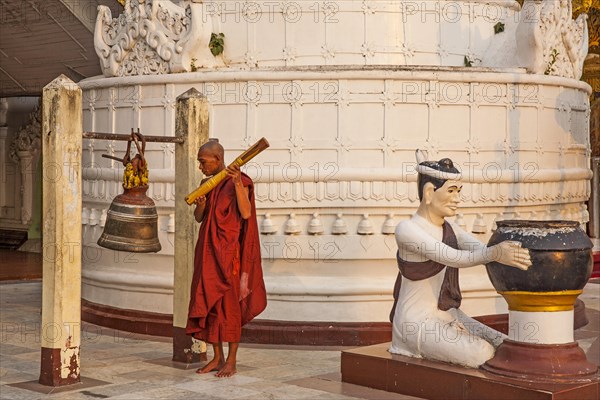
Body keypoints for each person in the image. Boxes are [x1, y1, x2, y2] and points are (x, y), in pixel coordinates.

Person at [389, 152, 532, 368]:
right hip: (416, 324)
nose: (457, 199)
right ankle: (408, 346)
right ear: (429, 192)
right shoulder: (407, 230)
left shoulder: (449, 229)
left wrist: (514, 250)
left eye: (459, 191)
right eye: (451, 191)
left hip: (447, 314)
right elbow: (454, 258)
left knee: (504, 344)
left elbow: (480, 250)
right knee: (482, 352)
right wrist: (495, 253)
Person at [186, 140, 267, 378]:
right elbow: (199, 218)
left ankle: (231, 360)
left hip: (229, 254)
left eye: (203, 161)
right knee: (210, 303)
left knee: (229, 307)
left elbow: (245, 212)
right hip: (207, 251)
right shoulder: (207, 184)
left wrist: (236, 184)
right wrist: (200, 205)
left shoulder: (240, 181)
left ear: (217, 159)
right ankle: (217, 357)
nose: (200, 166)